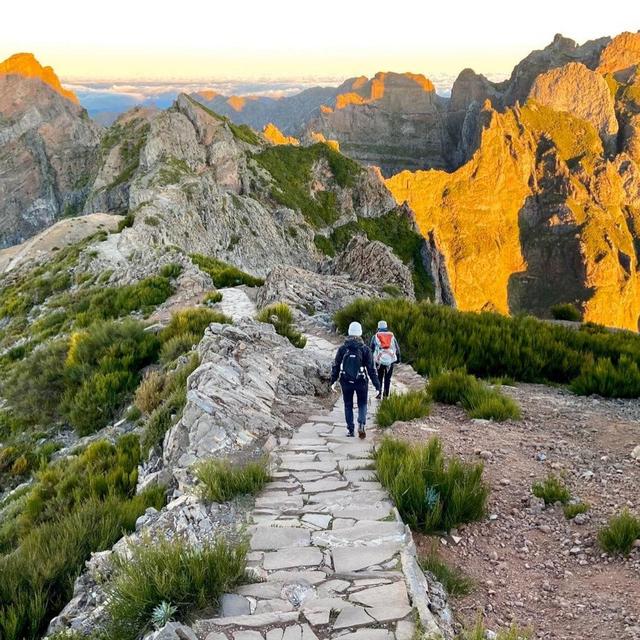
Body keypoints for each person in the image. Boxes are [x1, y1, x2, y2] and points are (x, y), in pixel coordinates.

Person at [330, 321, 380, 439]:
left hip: (345, 381)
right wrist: (377, 386)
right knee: (362, 403)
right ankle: (361, 424)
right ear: (360, 332)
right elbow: (371, 369)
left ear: (349, 332)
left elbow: (336, 366)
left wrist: (333, 381)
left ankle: (350, 430)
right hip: (361, 381)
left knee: (348, 405)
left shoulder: (343, 349)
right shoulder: (365, 349)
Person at [370, 320, 401, 399]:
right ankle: (386, 394)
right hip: (390, 360)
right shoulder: (391, 336)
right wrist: (398, 358)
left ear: (378, 327)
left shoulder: (375, 336)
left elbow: (371, 348)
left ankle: (379, 393)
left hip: (379, 360)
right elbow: (397, 348)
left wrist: (371, 359)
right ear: (386, 327)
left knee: (379, 377)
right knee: (388, 378)